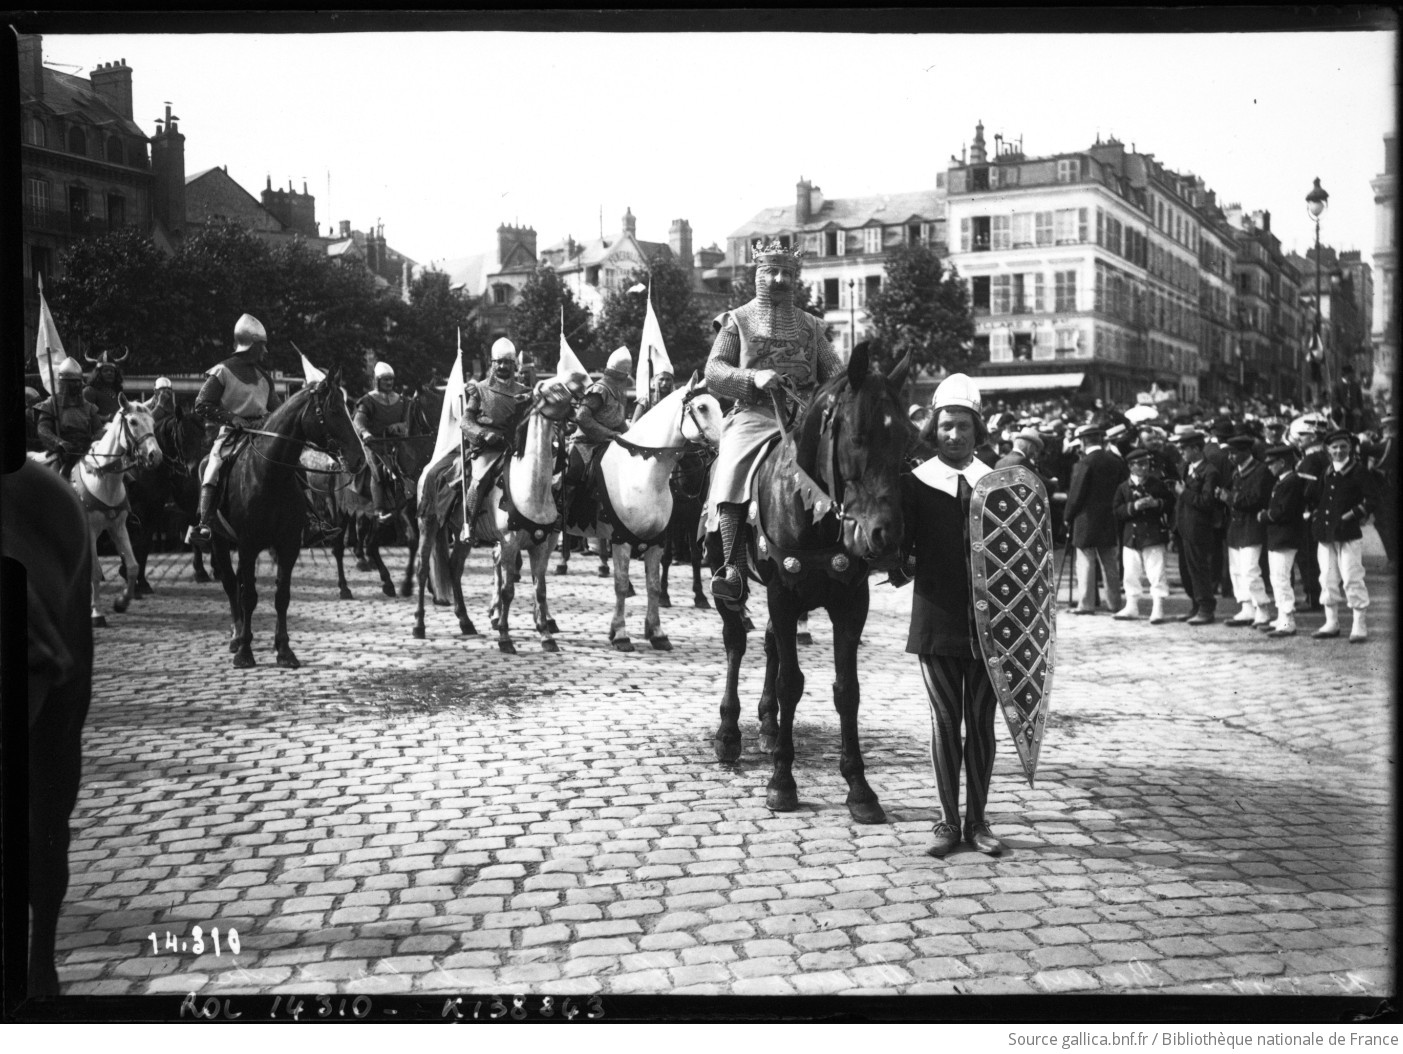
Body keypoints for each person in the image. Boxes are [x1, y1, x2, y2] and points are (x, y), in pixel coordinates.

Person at [901, 373, 1008, 858]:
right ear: (933, 429)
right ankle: (947, 822)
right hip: (936, 621)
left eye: (963, 426)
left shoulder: (998, 485)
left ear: (976, 429)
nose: (954, 435)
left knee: (981, 723)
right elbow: (898, 553)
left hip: (990, 629)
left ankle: (978, 821)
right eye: (946, 426)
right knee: (945, 722)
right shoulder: (915, 484)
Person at [703, 239, 842, 607]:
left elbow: (835, 372)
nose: (780, 279)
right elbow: (714, 371)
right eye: (772, 272)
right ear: (758, 275)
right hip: (754, 414)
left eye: (787, 273)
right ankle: (731, 565)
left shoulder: (811, 327)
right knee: (732, 465)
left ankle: (873, 548)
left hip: (806, 417)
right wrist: (752, 379)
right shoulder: (738, 320)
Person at [189, 313, 282, 549]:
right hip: (232, 435)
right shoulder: (222, 371)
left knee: (290, 463)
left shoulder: (264, 378)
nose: (265, 352)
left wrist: (271, 421)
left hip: (262, 435)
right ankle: (205, 524)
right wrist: (232, 418)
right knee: (213, 468)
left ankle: (311, 519)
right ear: (250, 345)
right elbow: (201, 404)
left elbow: (279, 409)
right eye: (262, 346)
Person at [1305, 428, 1379, 642]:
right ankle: (1331, 622)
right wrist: (1316, 514)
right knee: (1327, 578)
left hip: (1347, 533)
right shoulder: (1327, 471)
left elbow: (1372, 499)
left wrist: (1352, 514)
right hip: (1326, 533)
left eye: (1343, 447)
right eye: (1335, 447)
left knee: (1351, 577)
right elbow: (1320, 497)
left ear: (1350, 448)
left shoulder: (1358, 471)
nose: (1339, 451)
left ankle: (1359, 623)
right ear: (1328, 450)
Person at [460, 338, 533, 535]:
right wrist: (483, 434)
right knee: (478, 480)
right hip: (489, 448)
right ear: (492, 364)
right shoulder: (481, 390)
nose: (502, 366)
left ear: (513, 364)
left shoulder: (525, 393)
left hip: (518, 448)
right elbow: (465, 421)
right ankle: (470, 525)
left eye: (506, 362)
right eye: (498, 362)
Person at [1062, 424, 1127, 615]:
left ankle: (1086, 604)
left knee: (1086, 561)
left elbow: (1076, 493)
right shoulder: (1115, 461)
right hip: (1109, 517)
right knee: (1110, 562)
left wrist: (1068, 515)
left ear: (1082, 441)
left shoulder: (1084, 463)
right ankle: (1114, 603)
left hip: (1086, 519)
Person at [1218, 433, 1274, 628]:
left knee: (1251, 570)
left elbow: (1257, 499)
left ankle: (1262, 609)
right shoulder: (1237, 472)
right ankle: (1246, 606)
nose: (1230, 457)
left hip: (1252, 526)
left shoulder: (1261, 471)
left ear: (1246, 452)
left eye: (1234, 453)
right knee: (1237, 570)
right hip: (1236, 527)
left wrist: (1231, 498)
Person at [1112, 447, 1173, 623]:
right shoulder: (1123, 488)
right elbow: (1117, 511)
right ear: (1131, 466)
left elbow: (1170, 503)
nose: (1144, 468)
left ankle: (1158, 607)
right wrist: (1134, 507)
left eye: (1146, 463)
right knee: (1130, 573)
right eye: (1139, 464)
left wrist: (1156, 503)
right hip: (1131, 536)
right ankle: (1131, 606)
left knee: (1157, 572)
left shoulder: (1157, 484)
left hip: (1153, 534)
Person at [1171, 430, 1225, 625]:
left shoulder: (1210, 472)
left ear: (1196, 448)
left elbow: (1207, 501)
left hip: (1198, 528)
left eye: (1184, 448)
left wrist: (1184, 493)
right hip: (1183, 526)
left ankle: (1206, 608)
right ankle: (1195, 604)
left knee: (1199, 568)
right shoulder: (1186, 467)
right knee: (1186, 570)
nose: (1181, 452)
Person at [1258, 444, 1308, 637]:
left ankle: (1288, 620)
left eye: (1271, 463)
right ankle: (1281, 616)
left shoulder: (1291, 481)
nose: (1269, 466)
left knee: (1281, 579)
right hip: (1279, 536)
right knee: (1277, 578)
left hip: (1285, 536)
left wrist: (1264, 516)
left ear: (1282, 462)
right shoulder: (1284, 480)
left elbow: (1283, 512)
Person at [354, 360, 413, 519]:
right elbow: (358, 421)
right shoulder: (368, 400)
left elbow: (409, 422)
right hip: (374, 444)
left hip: (398, 443)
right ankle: (379, 509)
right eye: (385, 379)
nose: (389, 382)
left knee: (411, 468)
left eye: (391, 379)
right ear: (377, 380)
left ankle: (409, 504)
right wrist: (365, 433)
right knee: (377, 470)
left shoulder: (402, 400)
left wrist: (400, 427)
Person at [35, 358, 106, 478]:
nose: (78, 385)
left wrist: (96, 438)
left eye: (79, 382)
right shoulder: (50, 404)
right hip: (62, 453)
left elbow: (99, 428)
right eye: (74, 382)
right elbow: (43, 429)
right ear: (64, 383)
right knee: (55, 481)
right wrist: (58, 442)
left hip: (86, 449)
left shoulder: (88, 406)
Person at [82, 351, 127, 417]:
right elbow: (85, 415)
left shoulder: (117, 392)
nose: (109, 373)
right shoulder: (89, 391)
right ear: (98, 374)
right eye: (105, 370)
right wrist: (105, 418)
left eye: (112, 371)